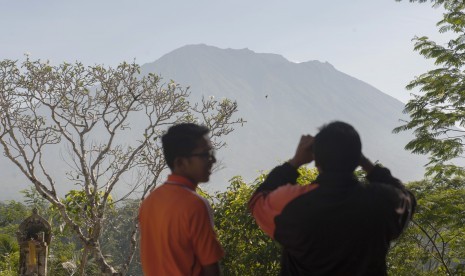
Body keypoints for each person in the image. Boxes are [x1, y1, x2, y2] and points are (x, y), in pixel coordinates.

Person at [248, 121, 416, 275]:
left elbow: (258, 201)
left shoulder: (291, 203)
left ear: (316, 160)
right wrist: (369, 166)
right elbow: (407, 199)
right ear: (357, 158)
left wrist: (294, 162)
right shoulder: (383, 201)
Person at [139, 123, 224, 276]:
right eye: (205, 154)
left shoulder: (149, 202)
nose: (212, 160)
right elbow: (211, 269)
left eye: (211, 152)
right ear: (180, 162)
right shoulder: (194, 205)